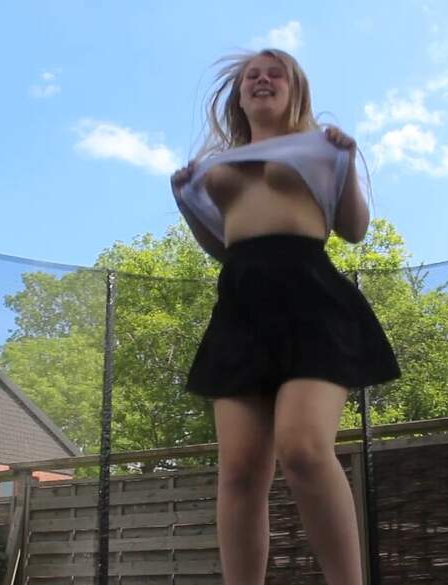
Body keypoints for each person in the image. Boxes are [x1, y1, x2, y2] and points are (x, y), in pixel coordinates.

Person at [170, 48, 400, 585]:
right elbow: (223, 248)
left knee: (303, 447)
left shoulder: (322, 147)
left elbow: (354, 230)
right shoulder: (214, 165)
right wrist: (185, 201)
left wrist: (346, 161)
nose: (262, 80)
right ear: (239, 95)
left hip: (311, 300)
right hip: (241, 308)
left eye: (276, 74)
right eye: (252, 75)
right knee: (239, 471)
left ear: (296, 90)